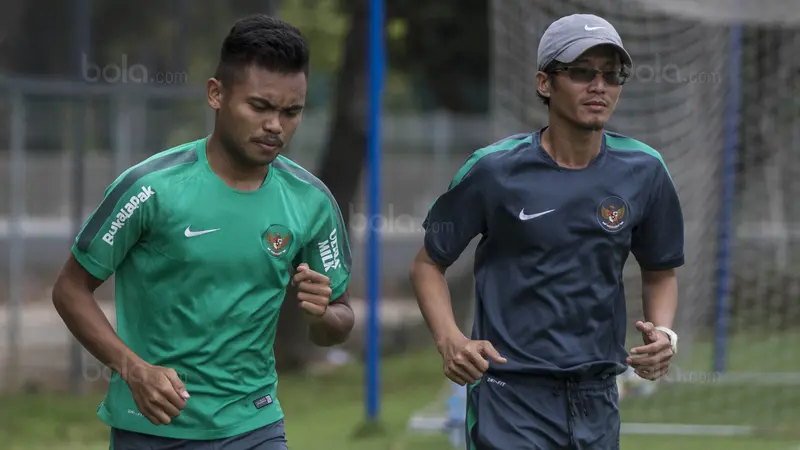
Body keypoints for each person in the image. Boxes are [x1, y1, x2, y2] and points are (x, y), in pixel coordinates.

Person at [52, 14, 354, 450]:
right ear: (216, 94)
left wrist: (322, 314)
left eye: (292, 112)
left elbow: (339, 321)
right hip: (153, 428)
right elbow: (70, 289)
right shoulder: (150, 189)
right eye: (260, 107)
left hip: (256, 425)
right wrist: (134, 369)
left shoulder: (312, 201)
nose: (276, 126)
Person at [409, 13, 683, 450]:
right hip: (509, 395)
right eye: (581, 73)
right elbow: (428, 264)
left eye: (612, 76)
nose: (599, 86)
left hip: (598, 396)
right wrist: (450, 340)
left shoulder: (645, 170)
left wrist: (664, 334)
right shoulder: (493, 170)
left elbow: (661, 269)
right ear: (544, 83)